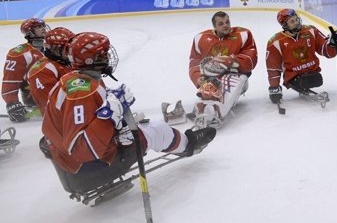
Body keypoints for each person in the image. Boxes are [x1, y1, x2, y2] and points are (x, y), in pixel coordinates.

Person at [41, 32, 215, 188]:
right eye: (103, 53)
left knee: (137, 125)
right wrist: (110, 115)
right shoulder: (82, 92)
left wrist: (117, 122)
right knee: (156, 130)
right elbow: (82, 150)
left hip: (68, 164)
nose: (108, 56)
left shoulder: (72, 79)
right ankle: (188, 145)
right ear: (90, 60)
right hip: (87, 168)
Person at [186, 11, 258, 127]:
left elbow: (251, 58)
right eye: (221, 23)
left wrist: (233, 61)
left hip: (237, 74)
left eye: (227, 22)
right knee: (209, 90)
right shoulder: (200, 38)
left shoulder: (243, 34)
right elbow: (194, 62)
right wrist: (198, 77)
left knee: (226, 88)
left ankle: (217, 112)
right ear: (214, 26)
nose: (225, 25)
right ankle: (204, 107)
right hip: (213, 75)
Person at [265, 9, 337, 103]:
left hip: (312, 72)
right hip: (293, 77)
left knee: (317, 79)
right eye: (292, 21)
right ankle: (299, 83)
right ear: (284, 25)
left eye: (296, 19)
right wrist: (274, 88)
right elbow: (273, 68)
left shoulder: (311, 30)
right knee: (303, 81)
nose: (296, 23)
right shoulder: (275, 42)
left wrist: (332, 44)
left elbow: (325, 50)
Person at [1, 18, 47, 122]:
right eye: (39, 27)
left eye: (43, 26)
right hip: (36, 100)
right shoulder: (20, 53)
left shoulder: (50, 49)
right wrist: (12, 103)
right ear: (29, 31)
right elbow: (10, 80)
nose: (43, 29)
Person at [26, 27, 75, 115]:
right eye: (67, 48)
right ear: (56, 49)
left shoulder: (65, 61)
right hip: (61, 123)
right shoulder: (42, 71)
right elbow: (51, 108)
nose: (72, 51)